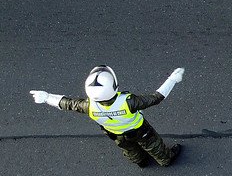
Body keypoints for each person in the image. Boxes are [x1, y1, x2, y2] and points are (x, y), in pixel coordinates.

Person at [30, 65, 186, 168]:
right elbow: (156, 97)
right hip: (141, 131)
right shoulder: (128, 102)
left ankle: (141, 162)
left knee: (129, 150)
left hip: (116, 135)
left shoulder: (89, 105)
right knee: (154, 146)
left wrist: (47, 97)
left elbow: (66, 103)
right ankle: (165, 160)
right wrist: (172, 79)